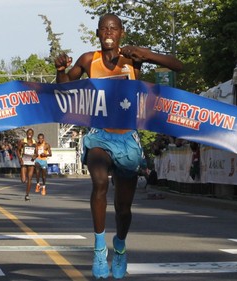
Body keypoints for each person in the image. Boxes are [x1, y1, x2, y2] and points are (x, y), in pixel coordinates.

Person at [55, 13, 183, 279]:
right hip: (99, 134)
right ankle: (100, 249)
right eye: (104, 29)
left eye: (113, 28)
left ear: (121, 32)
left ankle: (120, 247)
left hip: (127, 139)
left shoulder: (132, 59)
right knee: (99, 182)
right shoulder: (89, 60)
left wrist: (146, 55)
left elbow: (177, 65)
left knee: (124, 209)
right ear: (98, 33)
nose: (108, 32)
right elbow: (66, 87)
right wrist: (60, 71)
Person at [17, 128, 36, 201]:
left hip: (31, 161)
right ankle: (21, 175)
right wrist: (20, 159)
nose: (30, 134)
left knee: (30, 179)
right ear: (26, 134)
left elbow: (36, 152)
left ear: (33, 134)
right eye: (28, 133)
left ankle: (27, 195)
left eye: (31, 133)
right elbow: (17, 151)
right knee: (23, 180)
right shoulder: (22, 141)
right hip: (24, 161)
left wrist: (35, 156)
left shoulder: (35, 143)